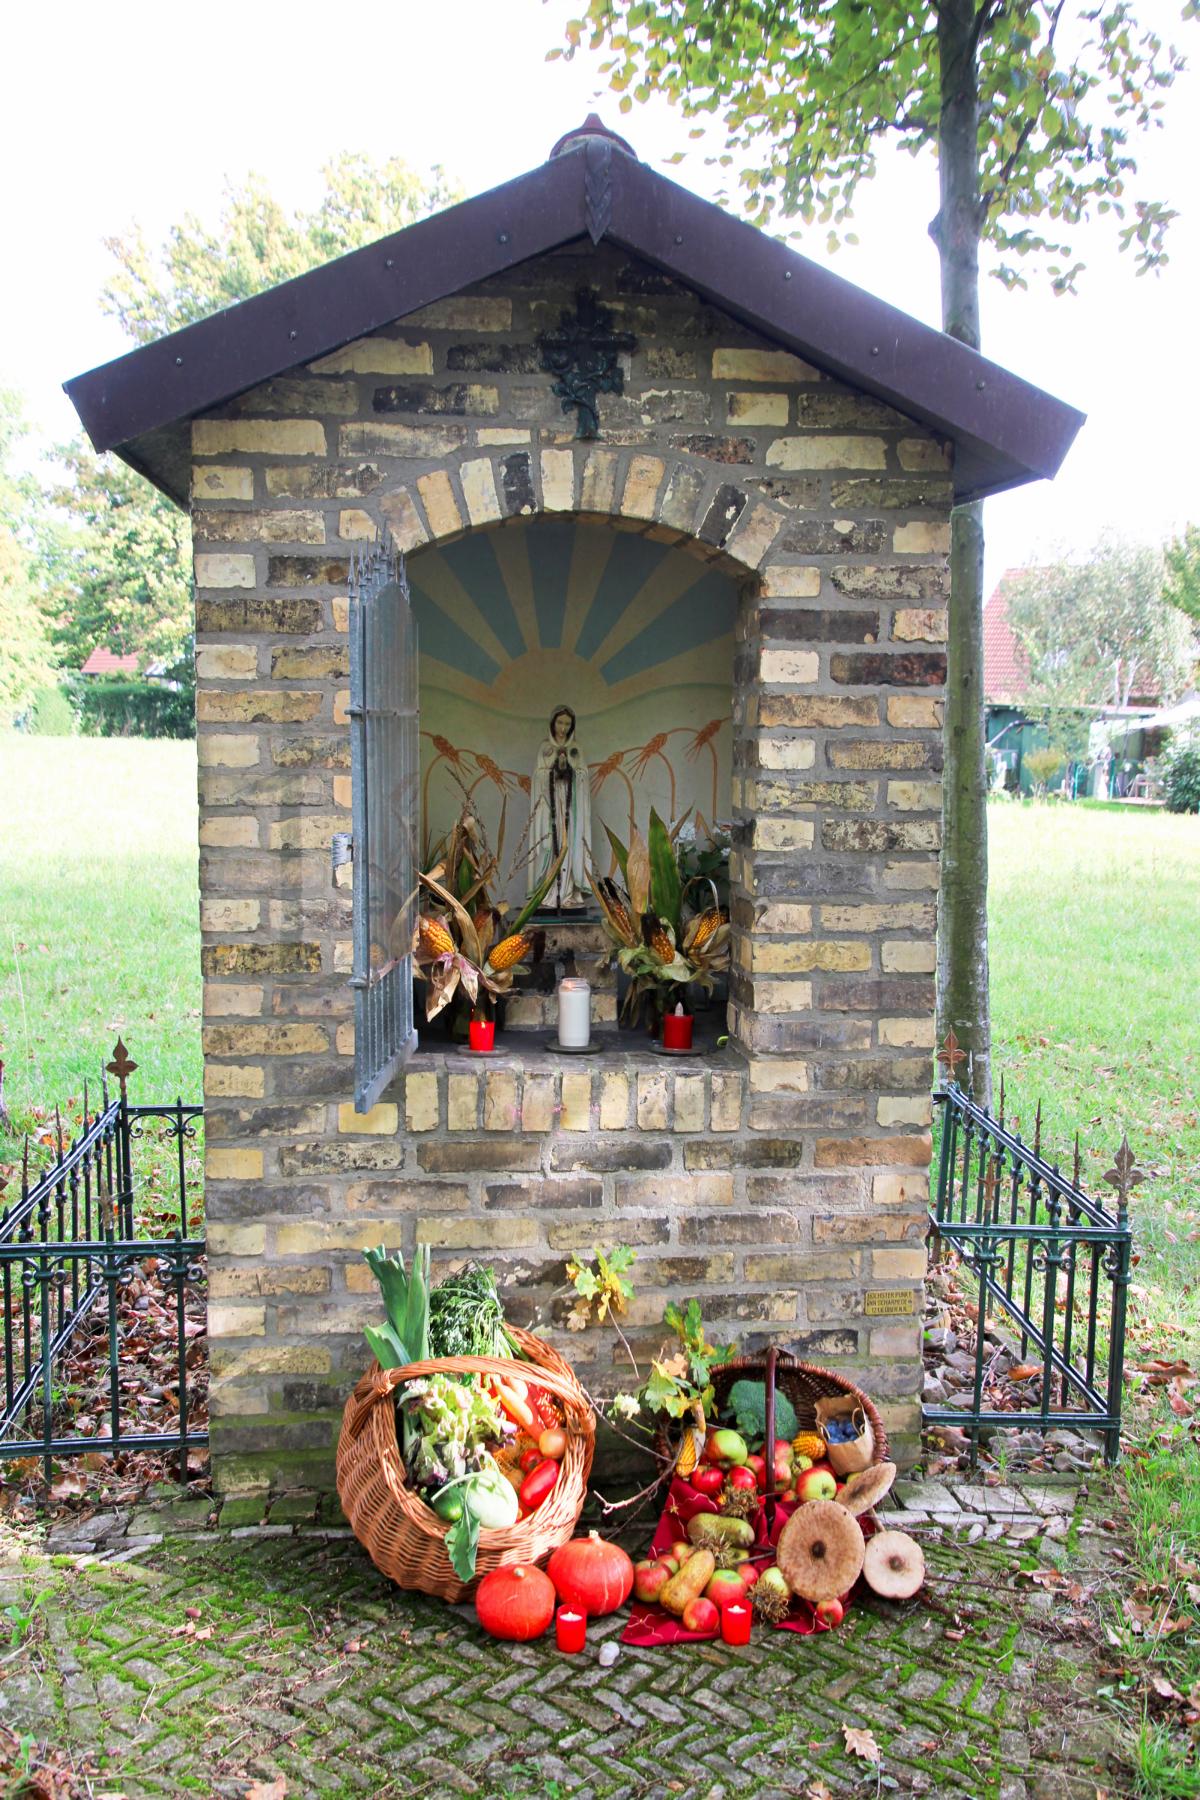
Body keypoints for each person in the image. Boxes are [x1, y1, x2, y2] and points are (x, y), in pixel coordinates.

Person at [529, 704, 591, 910]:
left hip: (571, 809)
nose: (563, 728)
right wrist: (553, 770)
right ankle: (548, 894)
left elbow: (583, 777)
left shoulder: (576, 749)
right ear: (552, 723)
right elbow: (537, 777)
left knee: (569, 845)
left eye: (567, 724)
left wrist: (570, 770)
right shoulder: (545, 748)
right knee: (550, 845)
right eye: (560, 723)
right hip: (550, 808)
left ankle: (567, 893)